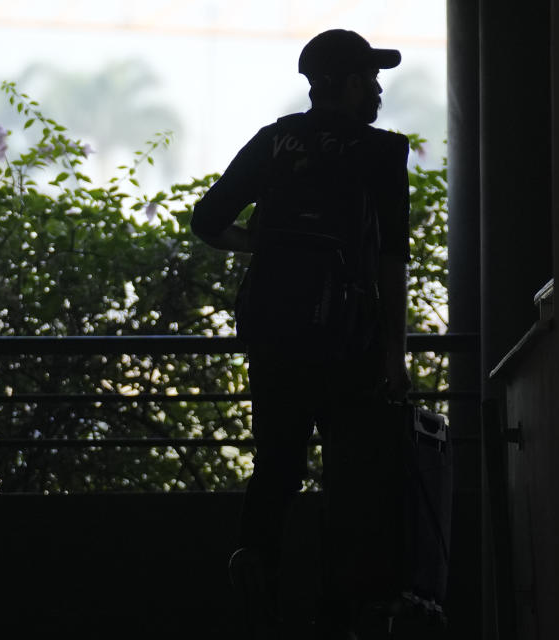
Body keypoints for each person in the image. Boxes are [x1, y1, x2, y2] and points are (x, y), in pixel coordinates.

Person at [191, 29, 411, 639]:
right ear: (339, 84)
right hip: (350, 338)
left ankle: (255, 574)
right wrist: (395, 353)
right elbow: (392, 258)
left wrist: (257, 243)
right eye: (368, 79)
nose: (377, 90)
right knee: (352, 478)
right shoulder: (383, 153)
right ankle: (337, 616)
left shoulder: (273, 142)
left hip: (275, 331)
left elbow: (207, 221)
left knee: (277, 467)